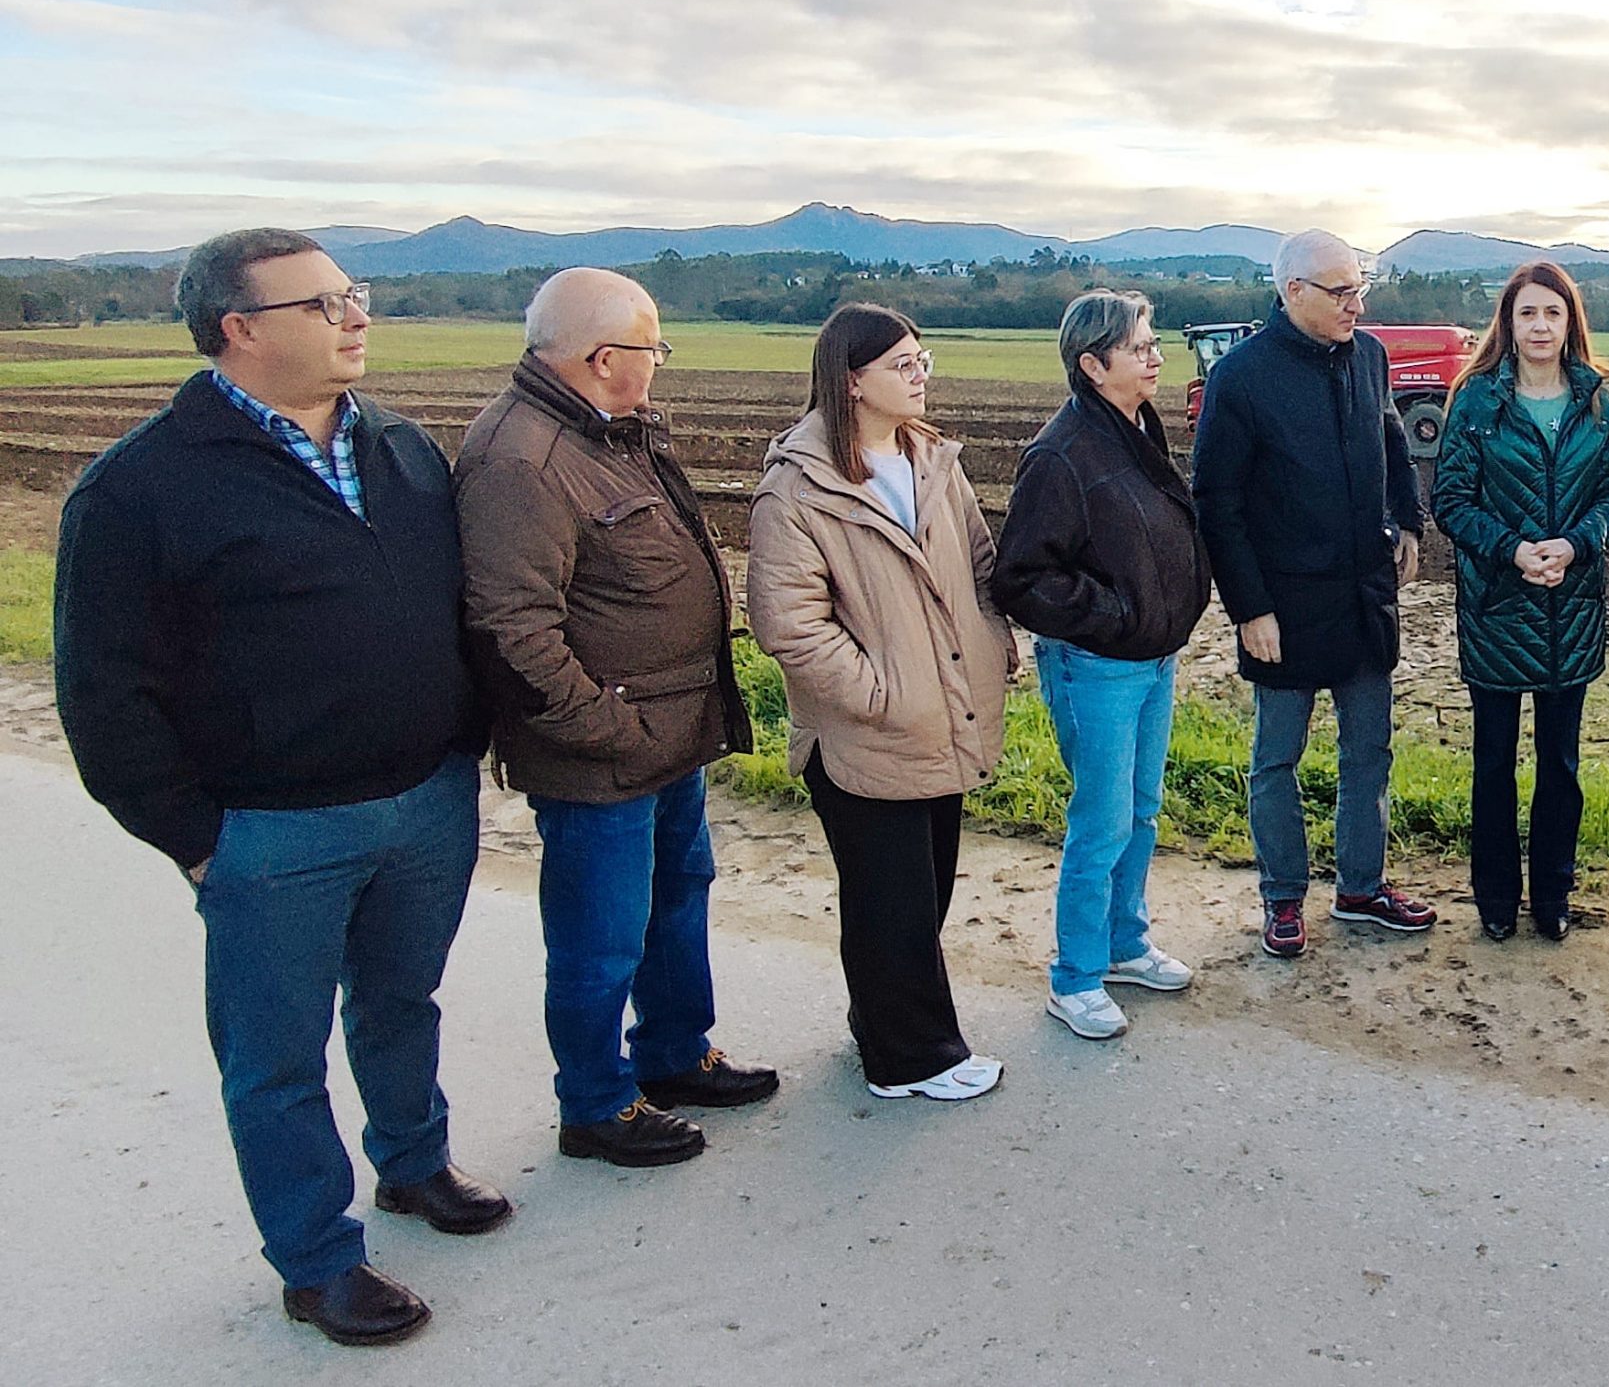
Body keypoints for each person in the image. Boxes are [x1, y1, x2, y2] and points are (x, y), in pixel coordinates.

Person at [56, 229, 502, 1346]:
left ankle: (413, 1163)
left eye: (356, 294)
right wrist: (201, 840)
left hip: (426, 801)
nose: (357, 316)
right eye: (323, 303)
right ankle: (317, 1258)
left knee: (403, 1001)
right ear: (239, 330)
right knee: (276, 1057)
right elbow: (103, 694)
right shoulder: (139, 487)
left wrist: (466, 743)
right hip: (272, 833)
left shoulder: (400, 447)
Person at [456, 269, 774, 1171]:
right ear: (603, 358)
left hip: (671, 734)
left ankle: (673, 1053)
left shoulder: (609, 432)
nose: (659, 364)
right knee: (600, 938)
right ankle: (595, 1103)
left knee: (677, 897)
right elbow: (512, 632)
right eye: (653, 348)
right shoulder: (523, 459)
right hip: (604, 753)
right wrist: (611, 730)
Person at [747, 305, 1018, 1098]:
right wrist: (881, 692)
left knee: (924, 887)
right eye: (903, 364)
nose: (920, 375)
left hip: (944, 717)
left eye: (921, 360)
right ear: (852, 381)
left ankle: (882, 1020)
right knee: (888, 900)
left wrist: (993, 640)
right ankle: (912, 1058)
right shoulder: (798, 490)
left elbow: (977, 562)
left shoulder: (933, 463)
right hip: (867, 732)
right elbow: (788, 625)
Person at [1191, 229, 1438, 958]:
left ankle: (1361, 887)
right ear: (1292, 291)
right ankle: (1284, 898)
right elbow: (1217, 501)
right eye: (1342, 292)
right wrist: (1249, 609)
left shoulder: (1369, 356)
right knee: (1277, 758)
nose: (1356, 305)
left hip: (1365, 595)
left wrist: (1411, 525)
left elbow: (1393, 441)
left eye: (1361, 288)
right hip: (1284, 609)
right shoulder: (1240, 377)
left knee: (1370, 752)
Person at [991, 290, 1214, 1039]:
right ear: (1092, 364)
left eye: (1153, 342)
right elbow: (1022, 576)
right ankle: (1076, 975)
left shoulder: (1134, 427)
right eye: (1139, 345)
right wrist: (1115, 614)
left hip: (1152, 660)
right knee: (1102, 820)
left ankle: (1124, 942)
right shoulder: (1060, 455)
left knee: (1142, 810)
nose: (1155, 356)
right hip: (1098, 666)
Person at [1430, 259, 1609, 942]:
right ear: (1509, 323)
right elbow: (1451, 502)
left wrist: (1576, 544)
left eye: (1553, 312)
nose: (1541, 325)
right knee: (1493, 763)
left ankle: (1552, 895)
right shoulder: (1478, 403)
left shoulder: (1598, 401)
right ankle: (1494, 897)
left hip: (1571, 609)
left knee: (1562, 766)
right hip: (1497, 607)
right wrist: (1514, 549)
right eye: (1528, 313)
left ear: (1570, 320)